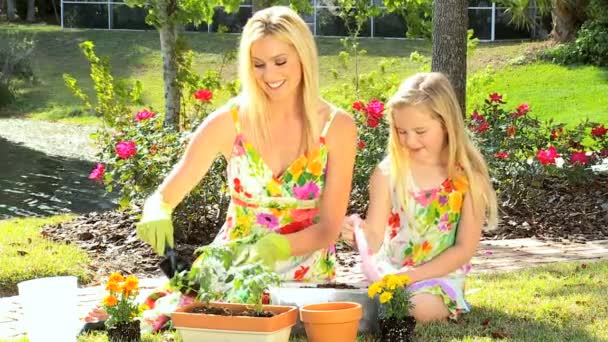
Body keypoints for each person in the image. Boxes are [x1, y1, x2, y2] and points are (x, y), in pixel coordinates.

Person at [83, 5, 357, 332]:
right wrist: (155, 210)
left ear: (303, 57)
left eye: (280, 62)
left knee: (249, 313)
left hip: (305, 264)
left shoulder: (337, 127)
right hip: (234, 259)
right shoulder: (229, 121)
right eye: (259, 64)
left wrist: (277, 246)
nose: (270, 75)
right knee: (191, 308)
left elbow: (329, 228)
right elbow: (164, 196)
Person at [341, 72, 498, 323]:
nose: (409, 140)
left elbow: (463, 249)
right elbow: (373, 239)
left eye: (420, 131)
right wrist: (356, 233)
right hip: (390, 273)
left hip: (438, 277)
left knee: (417, 307)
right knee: (354, 306)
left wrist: (411, 277)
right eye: (401, 131)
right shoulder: (387, 173)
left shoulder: (468, 177)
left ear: (446, 124)